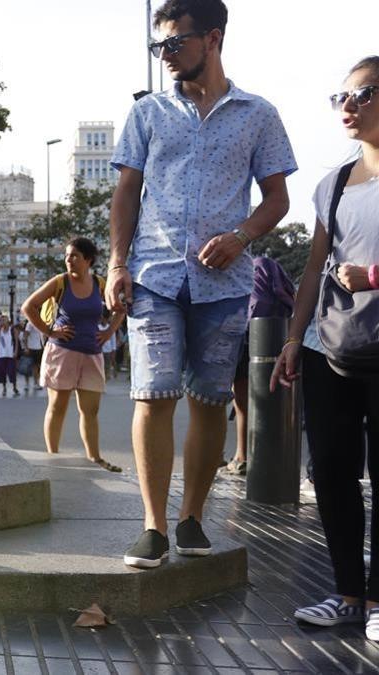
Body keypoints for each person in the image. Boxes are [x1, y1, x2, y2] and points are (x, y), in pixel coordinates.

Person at [106, 0, 296, 569]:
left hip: (226, 283)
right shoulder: (147, 114)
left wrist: (240, 236)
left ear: (212, 39)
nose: (164, 55)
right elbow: (125, 194)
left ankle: (191, 518)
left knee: (211, 402)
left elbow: (278, 199)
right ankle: (152, 526)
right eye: (157, 46)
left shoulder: (258, 114)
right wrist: (117, 265)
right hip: (156, 275)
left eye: (174, 43)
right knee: (152, 394)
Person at [274, 56, 379, 639]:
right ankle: (348, 594)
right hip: (330, 345)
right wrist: (294, 339)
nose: (348, 106)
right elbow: (314, 268)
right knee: (332, 470)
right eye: (341, 97)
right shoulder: (331, 183)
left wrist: (373, 276)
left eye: (362, 95)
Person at [22, 238, 124, 472]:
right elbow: (28, 306)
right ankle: (53, 457)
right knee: (57, 407)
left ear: (88, 260)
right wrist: (50, 331)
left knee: (90, 411)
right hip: (62, 353)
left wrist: (109, 332)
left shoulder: (100, 284)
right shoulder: (60, 282)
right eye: (68, 256)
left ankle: (95, 458)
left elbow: (120, 308)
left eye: (75, 256)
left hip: (91, 354)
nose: (69, 260)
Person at [223, 257, 294, 476]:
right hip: (269, 336)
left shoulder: (240, 269)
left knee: (230, 401)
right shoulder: (266, 265)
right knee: (256, 401)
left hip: (239, 334)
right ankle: (253, 457)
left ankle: (233, 456)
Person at [0, 315, 19, 397]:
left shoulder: (12, 329)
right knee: (2, 372)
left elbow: (16, 341)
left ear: (8, 320)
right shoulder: (0, 330)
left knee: (12, 371)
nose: (2, 322)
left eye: (4, 320)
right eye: (1, 320)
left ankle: (14, 387)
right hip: (1, 354)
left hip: (10, 354)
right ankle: (4, 388)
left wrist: (15, 351)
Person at [99, 312, 118, 381]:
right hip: (100, 351)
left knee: (107, 367)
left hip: (108, 350)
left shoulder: (110, 328)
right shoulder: (98, 327)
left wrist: (113, 351)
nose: (103, 321)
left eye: (105, 319)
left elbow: (113, 341)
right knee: (100, 367)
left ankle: (105, 380)